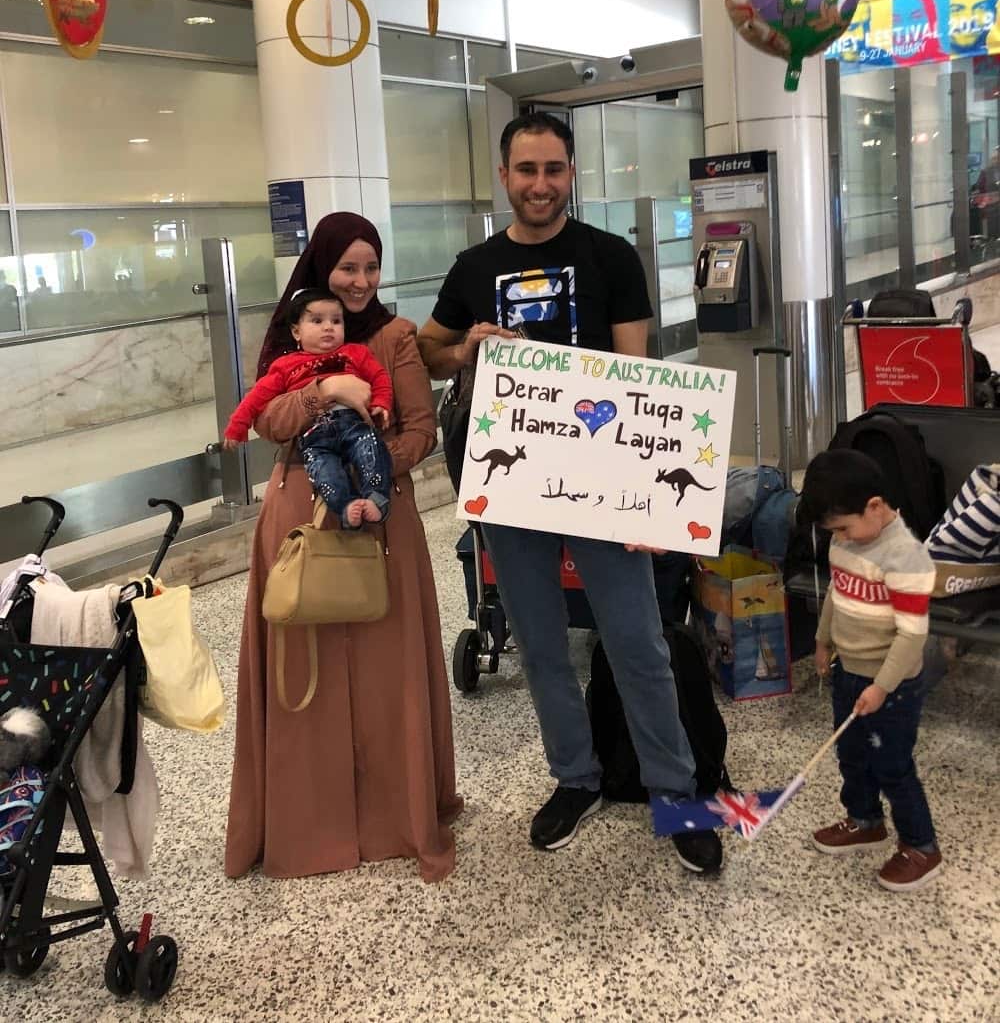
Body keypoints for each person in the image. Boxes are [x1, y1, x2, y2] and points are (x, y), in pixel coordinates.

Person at [417, 112, 722, 875]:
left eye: (554, 170)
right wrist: (464, 349)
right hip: (513, 481)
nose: (540, 185)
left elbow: (639, 379)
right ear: (504, 175)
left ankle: (676, 791)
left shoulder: (612, 257)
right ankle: (575, 777)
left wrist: (652, 501)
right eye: (527, 170)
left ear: (573, 173)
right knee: (543, 647)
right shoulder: (474, 266)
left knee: (638, 643)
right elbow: (427, 349)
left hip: (603, 488)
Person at [225, 212, 461, 883]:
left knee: (389, 668)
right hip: (301, 514)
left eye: (370, 268)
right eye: (347, 268)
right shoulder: (292, 331)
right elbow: (270, 420)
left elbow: (421, 431)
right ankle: (310, 825)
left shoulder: (394, 337)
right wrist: (324, 390)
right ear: (321, 268)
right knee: (308, 666)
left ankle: (394, 816)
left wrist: (370, 465)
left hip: (380, 512)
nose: (360, 282)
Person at [801, 449, 941, 893]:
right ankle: (864, 820)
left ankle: (921, 846)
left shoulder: (907, 558)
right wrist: (824, 641)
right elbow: (836, 598)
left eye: (844, 526)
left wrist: (882, 687)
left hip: (893, 685)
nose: (839, 537)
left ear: (875, 507)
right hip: (850, 672)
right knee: (852, 755)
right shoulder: (846, 543)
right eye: (833, 530)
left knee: (892, 764)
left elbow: (912, 636)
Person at [222, 288, 394, 529]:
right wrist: (237, 427)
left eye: (336, 321)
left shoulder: (356, 353)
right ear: (296, 331)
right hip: (314, 434)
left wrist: (381, 404)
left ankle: (376, 498)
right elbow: (256, 398)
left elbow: (379, 378)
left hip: (354, 424)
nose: (328, 327)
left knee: (372, 451)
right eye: (317, 321)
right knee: (324, 472)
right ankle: (346, 507)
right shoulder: (285, 365)